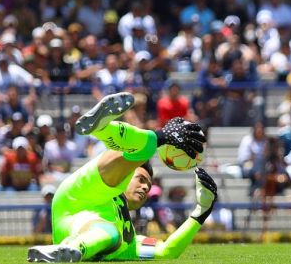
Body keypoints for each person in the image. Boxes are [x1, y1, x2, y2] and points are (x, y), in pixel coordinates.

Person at [27, 92, 214, 262]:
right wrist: (161, 137)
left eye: (148, 187)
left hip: (72, 229)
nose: (144, 188)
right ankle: (102, 129)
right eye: (141, 179)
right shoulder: (114, 186)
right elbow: (128, 161)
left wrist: (201, 211)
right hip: (81, 195)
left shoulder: (128, 241)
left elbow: (167, 251)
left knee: (110, 232)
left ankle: (66, 250)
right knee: (140, 153)